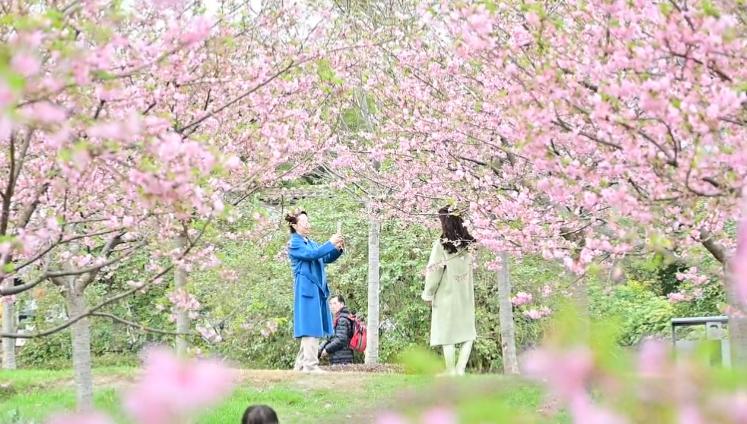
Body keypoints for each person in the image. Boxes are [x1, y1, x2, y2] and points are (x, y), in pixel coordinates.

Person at [285, 210, 344, 373]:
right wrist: (330, 242)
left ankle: (301, 366)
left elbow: (322, 257)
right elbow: (312, 255)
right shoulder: (294, 243)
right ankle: (310, 366)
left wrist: (336, 249)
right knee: (310, 327)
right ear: (295, 226)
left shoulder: (309, 242)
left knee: (313, 327)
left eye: (308, 221)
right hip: (306, 289)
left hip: (316, 288)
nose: (308, 225)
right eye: (304, 222)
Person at [422, 206, 477, 376]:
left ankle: (451, 370)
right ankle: (460, 369)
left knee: (447, 333)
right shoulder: (469, 243)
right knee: (468, 331)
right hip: (465, 293)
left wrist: (428, 293)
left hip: (446, 293)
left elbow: (434, 271)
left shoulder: (442, 245)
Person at [319, 294, 354, 365]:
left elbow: (341, 340)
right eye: (330, 304)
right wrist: (320, 349)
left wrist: (326, 350)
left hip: (343, 359)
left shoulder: (342, 320)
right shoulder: (337, 318)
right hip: (338, 357)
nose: (332, 306)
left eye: (335, 303)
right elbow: (330, 338)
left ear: (342, 304)